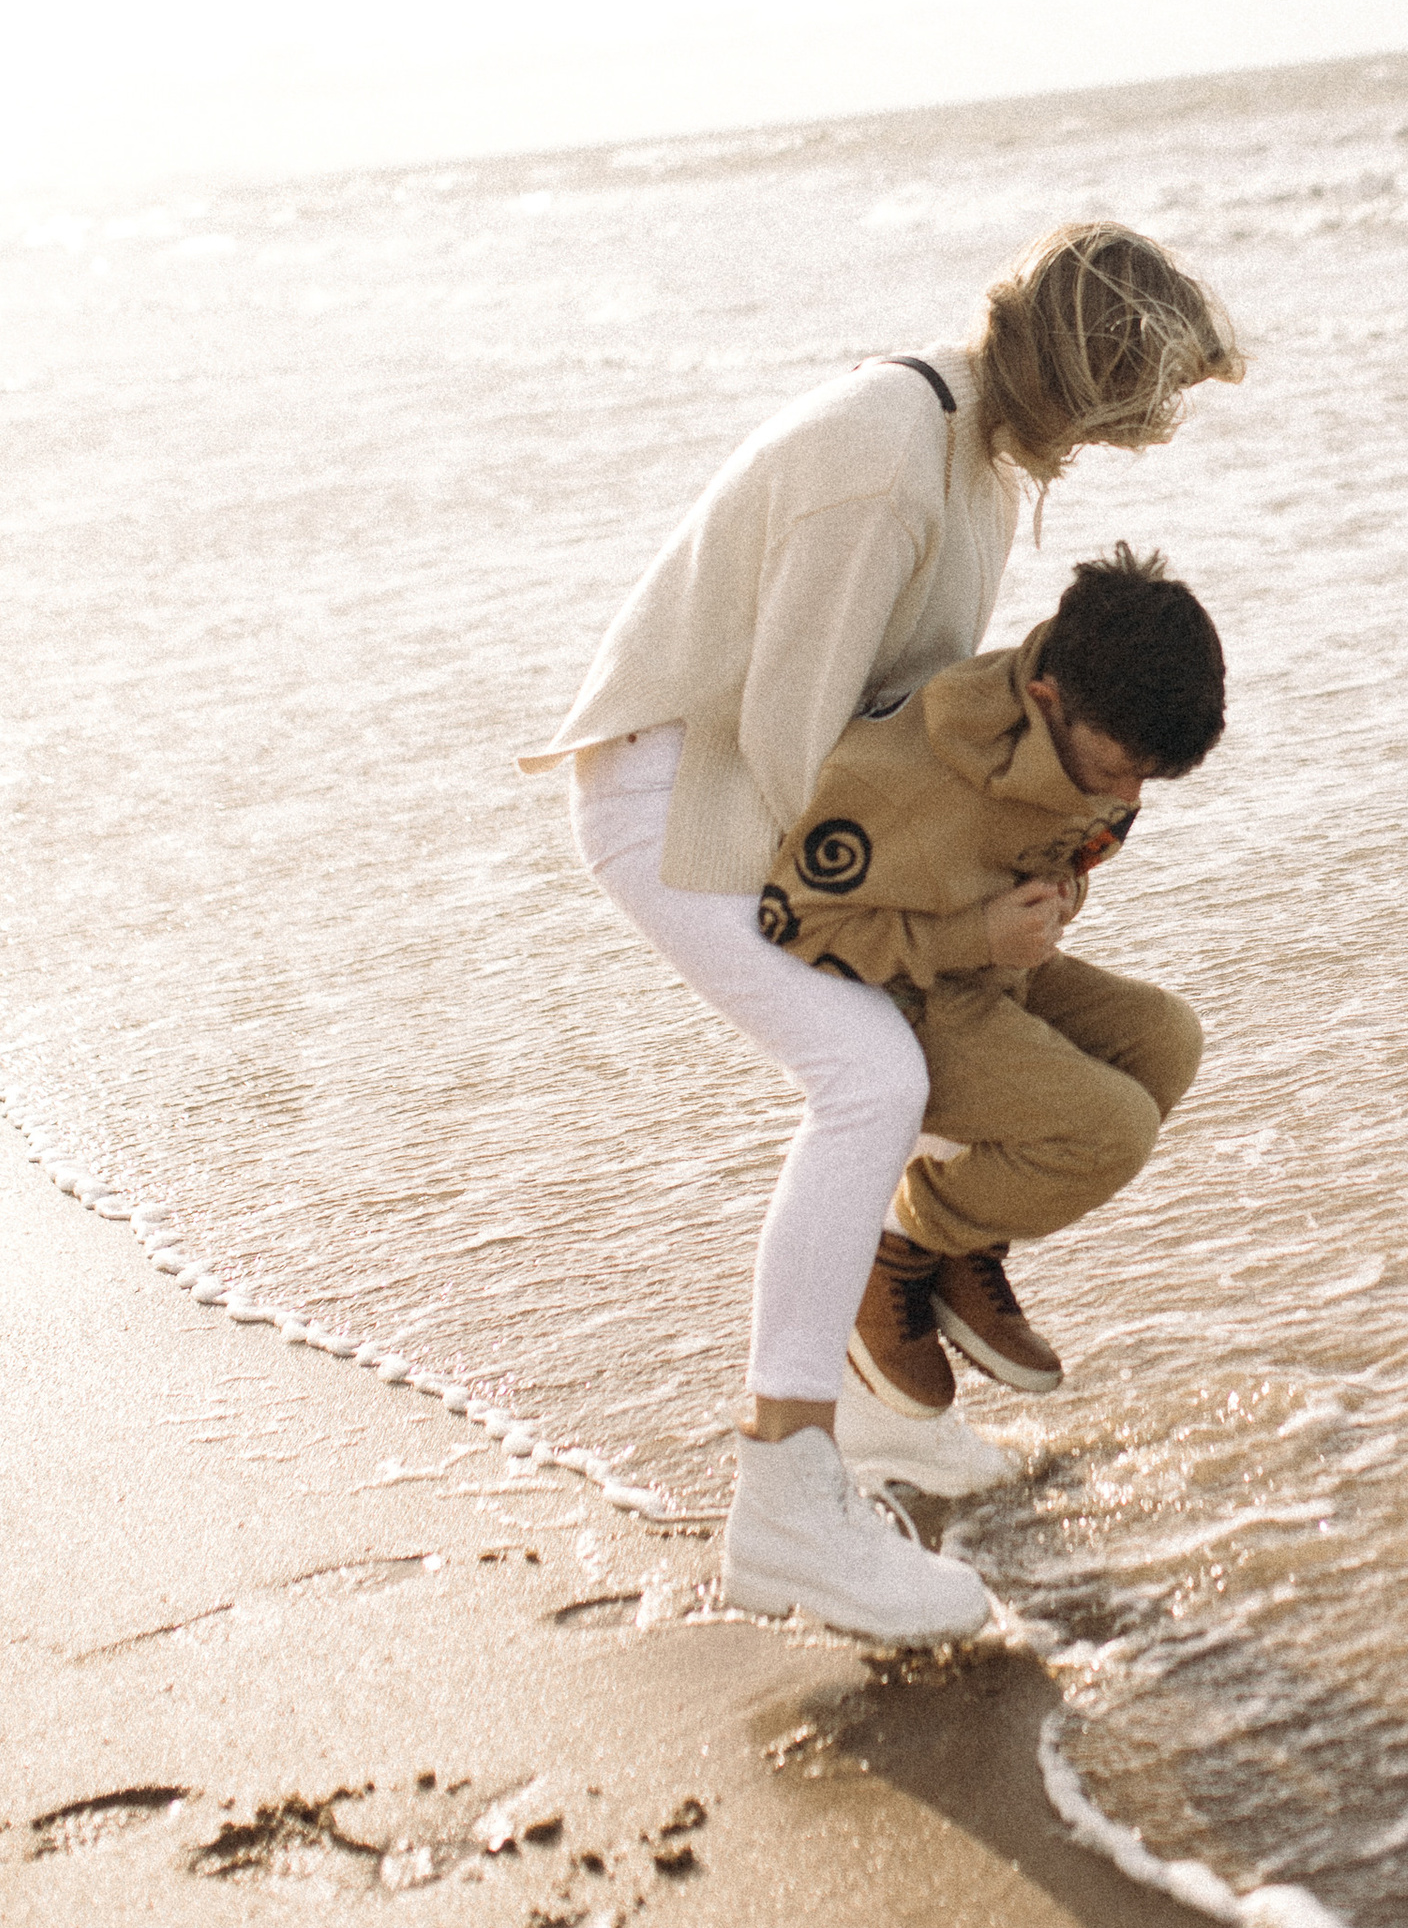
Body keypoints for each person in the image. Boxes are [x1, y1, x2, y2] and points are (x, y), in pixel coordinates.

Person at [520, 224, 1242, 1647]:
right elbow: (798, 746)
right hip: (690, 804)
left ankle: (879, 1417)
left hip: (778, 800)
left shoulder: (967, 453)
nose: (1123, 444)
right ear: (1087, 385)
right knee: (871, 1080)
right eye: (1130, 414)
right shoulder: (890, 459)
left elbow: (899, 732)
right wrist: (957, 933)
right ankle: (786, 1496)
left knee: (1061, 1053)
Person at [752, 545, 1222, 1519]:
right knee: (1108, 1130)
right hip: (904, 989)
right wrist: (975, 935)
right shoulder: (905, 783)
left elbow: (1070, 842)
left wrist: (1057, 898)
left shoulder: (1089, 724)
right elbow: (789, 925)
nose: (1131, 797)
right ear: (1047, 699)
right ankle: (896, 1246)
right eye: (1119, 771)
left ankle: (963, 1248)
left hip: (996, 970)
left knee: (1165, 1041)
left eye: (1150, 779)